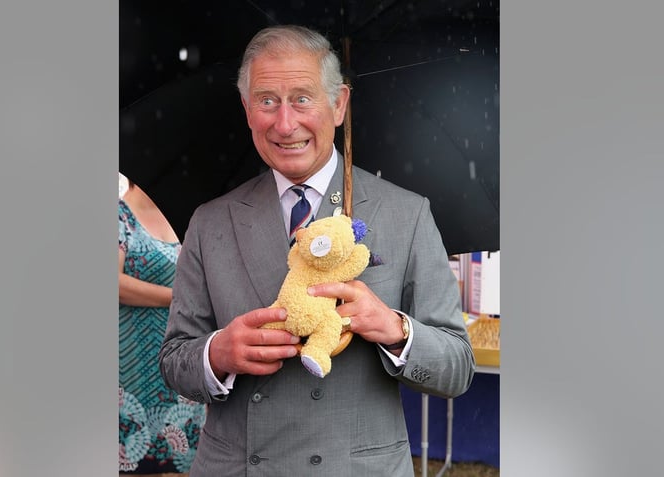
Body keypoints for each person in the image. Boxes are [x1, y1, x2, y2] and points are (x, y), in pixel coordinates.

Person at [158, 25, 474, 476]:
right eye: (267, 101)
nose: (285, 124)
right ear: (247, 111)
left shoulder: (407, 213)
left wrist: (394, 328)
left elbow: (457, 367)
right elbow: (173, 361)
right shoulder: (211, 221)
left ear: (339, 104)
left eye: (303, 98)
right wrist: (217, 355)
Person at [118, 172, 205, 475]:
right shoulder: (118, 213)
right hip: (133, 365)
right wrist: (178, 297)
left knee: (182, 461)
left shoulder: (194, 216)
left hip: (182, 359)